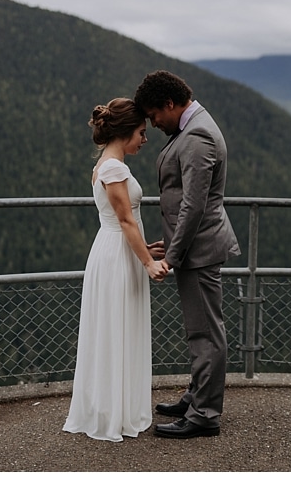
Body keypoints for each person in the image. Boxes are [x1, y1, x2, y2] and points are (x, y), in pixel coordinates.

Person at [133, 70, 239, 439]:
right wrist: (171, 242)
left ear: (169, 104)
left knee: (206, 334)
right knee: (200, 331)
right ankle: (196, 396)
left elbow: (194, 205)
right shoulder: (190, 129)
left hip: (200, 249)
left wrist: (172, 255)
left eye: (154, 115)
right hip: (192, 246)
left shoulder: (198, 136)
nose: (154, 123)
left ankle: (205, 415)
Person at [64, 98, 169, 442]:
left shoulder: (107, 165)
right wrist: (148, 261)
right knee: (116, 328)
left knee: (114, 328)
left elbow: (128, 222)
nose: (144, 138)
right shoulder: (114, 168)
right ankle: (113, 413)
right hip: (117, 257)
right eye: (141, 132)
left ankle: (113, 408)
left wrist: (143, 247)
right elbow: (124, 220)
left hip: (115, 251)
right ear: (125, 132)